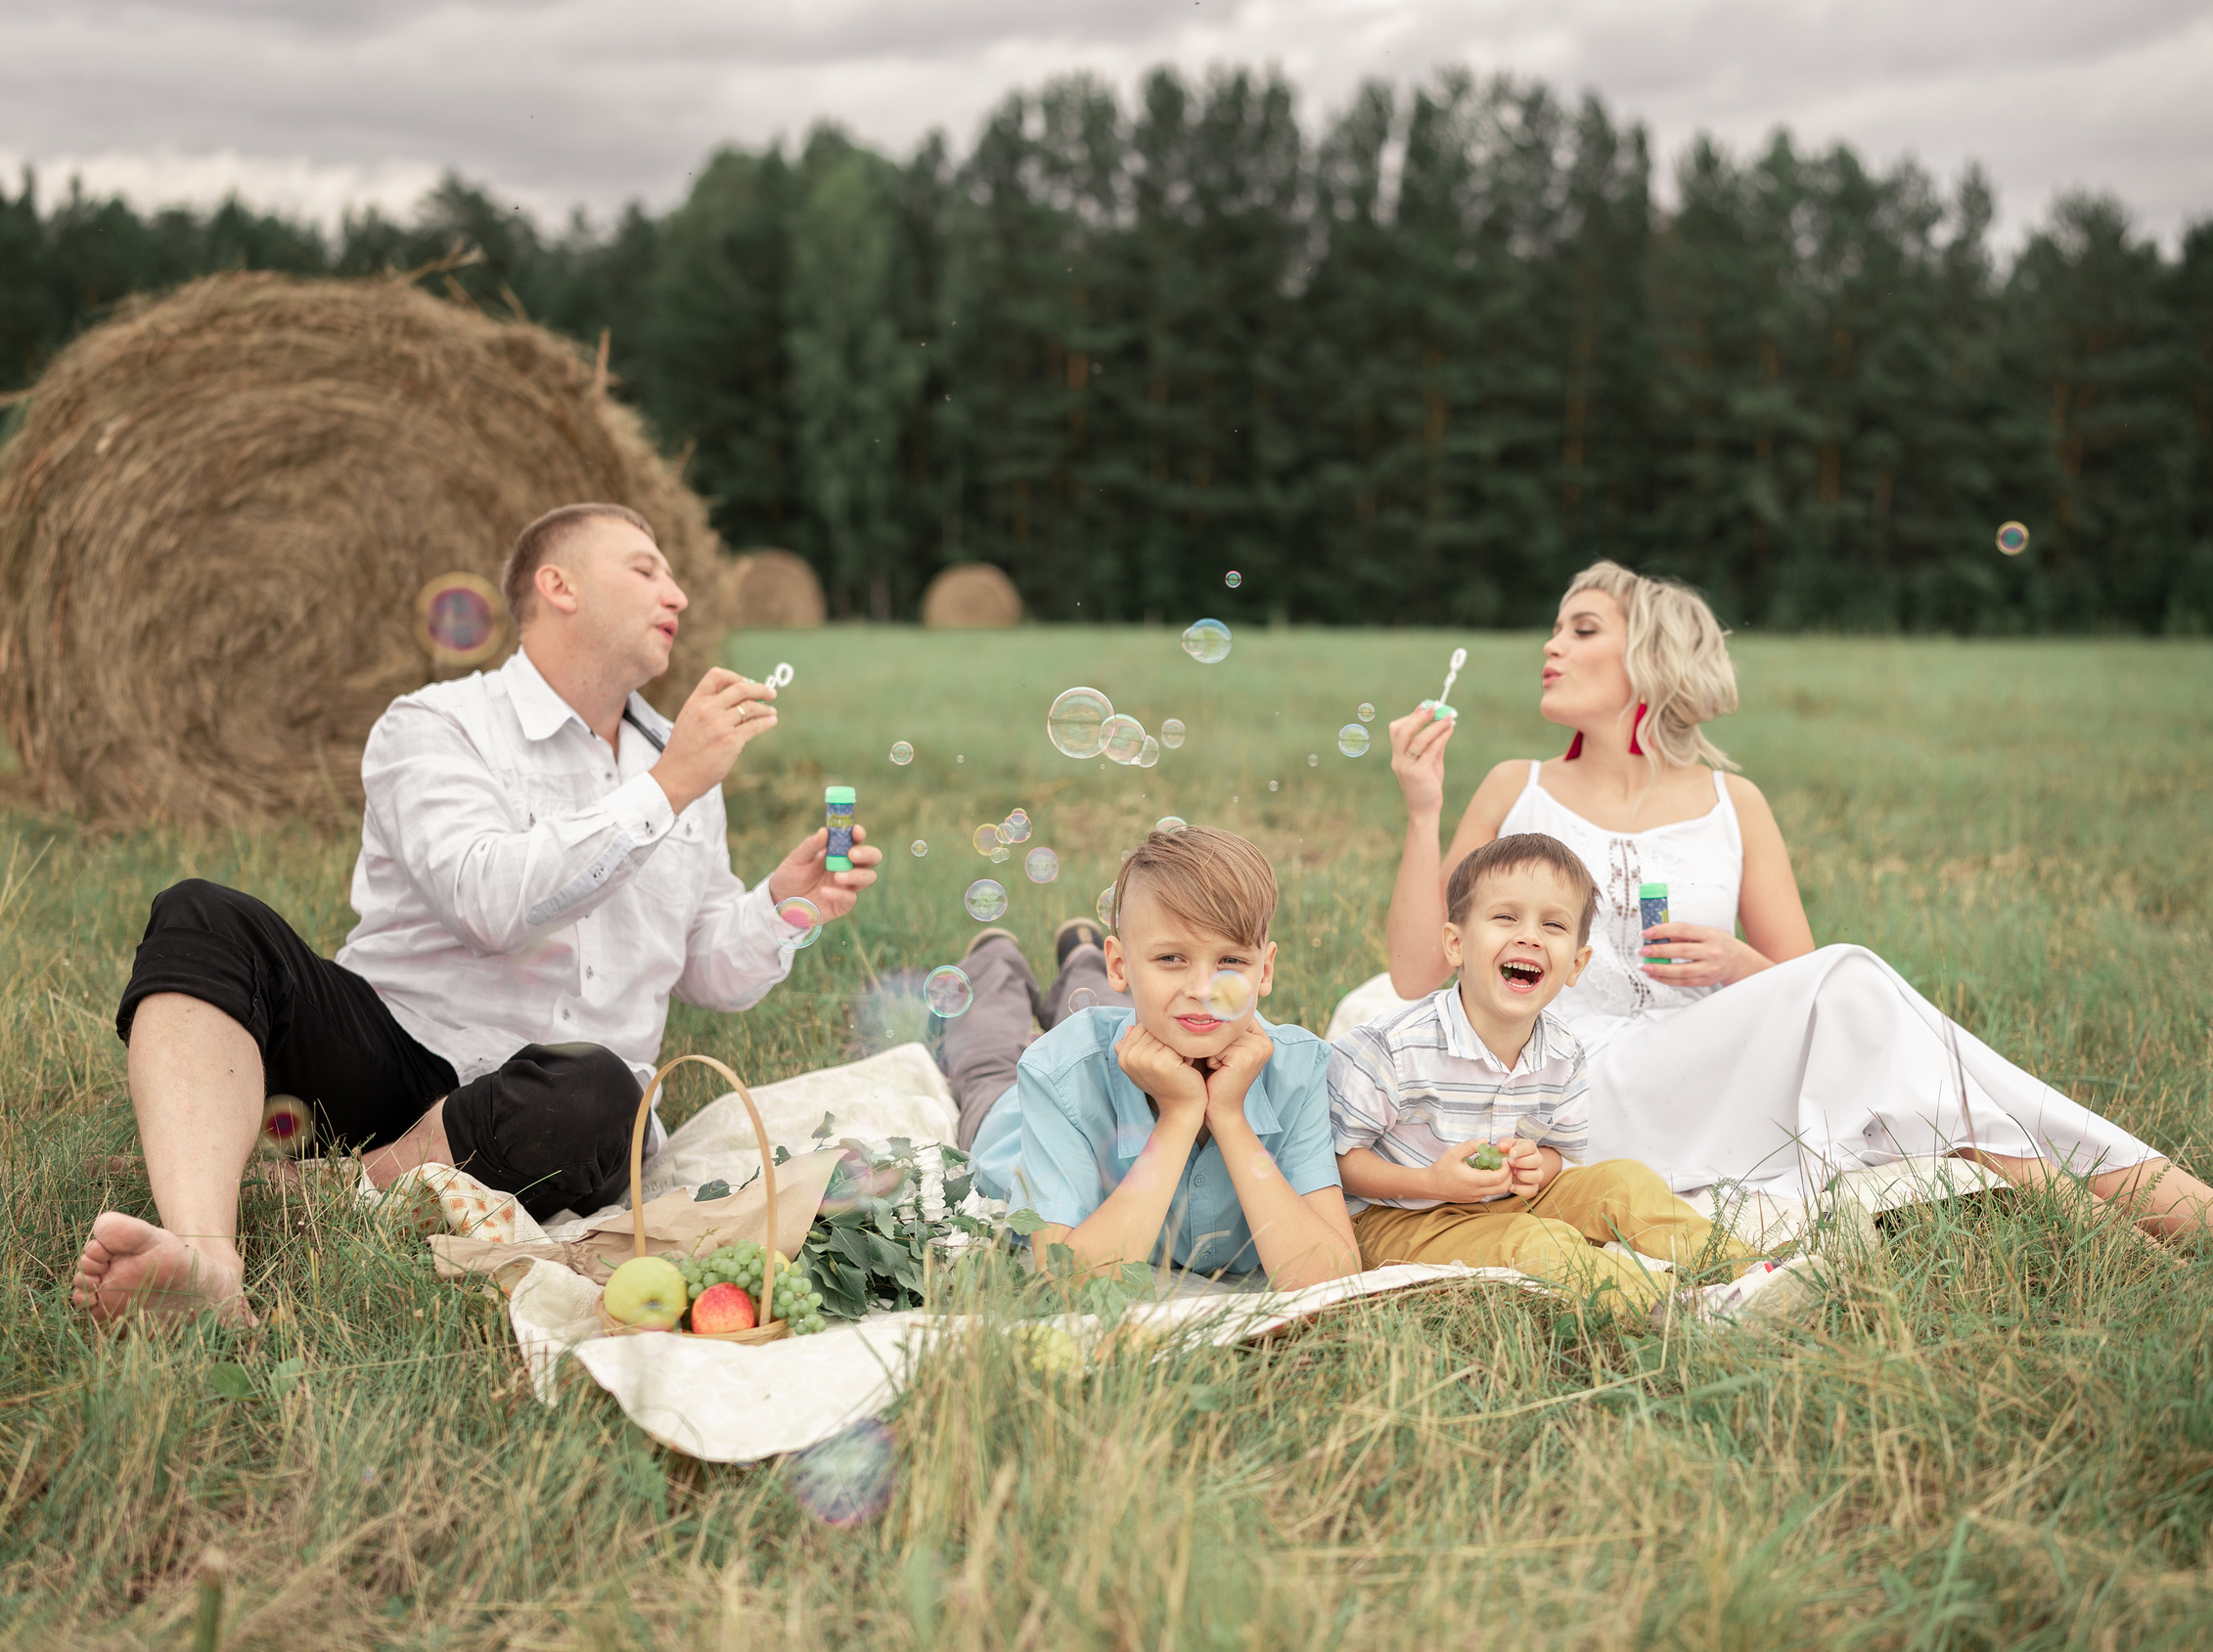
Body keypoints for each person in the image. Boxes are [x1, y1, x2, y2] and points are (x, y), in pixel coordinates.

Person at [72, 503, 880, 1326]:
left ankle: (342, 1185)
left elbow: (707, 965)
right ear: (556, 585)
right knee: (202, 913)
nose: (676, 593)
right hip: (395, 1054)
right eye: (646, 569)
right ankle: (206, 1253)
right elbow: (487, 902)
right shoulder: (437, 725)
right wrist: (665, 788)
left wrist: (784, 907)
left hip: (553, 1107)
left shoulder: (675, 762)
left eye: (673, 575)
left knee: (601, 1089)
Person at [1377, 558, 2213, 1242]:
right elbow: (1419, 976)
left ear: (1648, 657)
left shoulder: (1735, 805)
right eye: (1555, 629)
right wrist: (1424, 811)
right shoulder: (1513, 787)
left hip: (1712, 1066)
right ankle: (2205, 1229)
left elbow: (1802, 988)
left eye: (1580, 627)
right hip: (1573, 1084)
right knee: (1886, 1015)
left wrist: (1738, 965)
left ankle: (2181, 1233)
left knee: (1908, 1053)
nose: (1550, 646)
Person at [1332, 831, 1816, 1324]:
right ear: (1455, 943)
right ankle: (1676, 1310)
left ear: (1576, 966)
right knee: (1538, 1242)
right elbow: (1341, 1162)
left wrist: (1533, 1166)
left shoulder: (1563, 1053)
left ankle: (1753, 1269)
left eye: (1553, 924)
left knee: (1622, 1181)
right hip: (1399, 1218)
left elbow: (1556, 1154)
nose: (1529, 936)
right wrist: (1430, 1182)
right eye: (1505, 917)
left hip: (1505, 1202)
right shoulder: (1394, 1047)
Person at [944, 824, 1359, 1290]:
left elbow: (1332, 1278)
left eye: (1232, 962)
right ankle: (995, 957)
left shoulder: (1300, 1070)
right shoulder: (1055, 1072)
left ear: (1266, 969)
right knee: (988, 1058)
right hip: (1011, 1119)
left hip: (1135, 1019)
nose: (1203, 990)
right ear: (1120, 964)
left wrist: (1228, 1114)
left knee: (1137, 1009)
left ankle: (1081, 955)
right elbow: (1066, 1283)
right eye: (1171, 958)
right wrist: (1180, 1115)